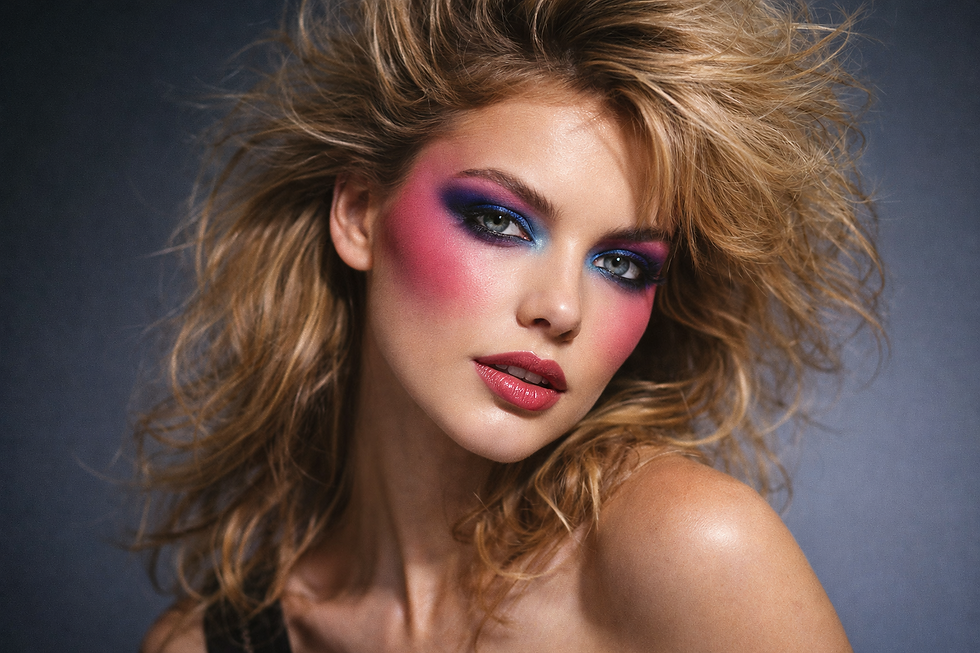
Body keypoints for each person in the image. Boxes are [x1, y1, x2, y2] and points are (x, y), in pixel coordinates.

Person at [136, 0, 882, 650]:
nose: (560, 309)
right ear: (360, 211)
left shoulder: (691, 554)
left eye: (622, 264)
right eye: (500, 221)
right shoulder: (206, 642)